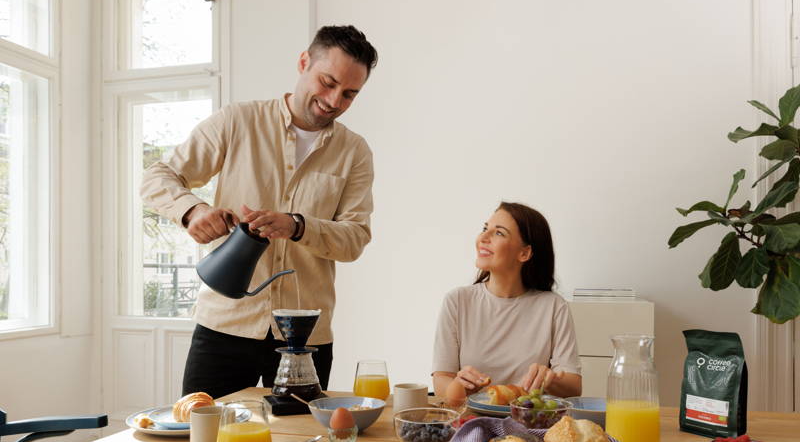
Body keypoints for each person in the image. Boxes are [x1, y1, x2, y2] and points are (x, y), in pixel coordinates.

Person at [140, 25, 378, 399]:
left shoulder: (355, 151)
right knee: (202, 439)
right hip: (225, 323)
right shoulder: (237, 121)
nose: (334, 100)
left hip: (306, 336)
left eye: (349, 94)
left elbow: (355, 239)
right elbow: (158, 176)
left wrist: (298, 226)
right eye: (327, 82)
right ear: (303, 62)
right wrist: (193, 210)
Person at [432, 202, 582, 399]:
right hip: (471, 421)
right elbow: (442, 379)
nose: (483, 238)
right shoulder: (458, 301)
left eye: (499, 233)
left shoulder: (553, 306)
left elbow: (574, 387)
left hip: (529, 422)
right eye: (485, 229)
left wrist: (550, 379)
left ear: (524, 253)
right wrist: (459, 387)